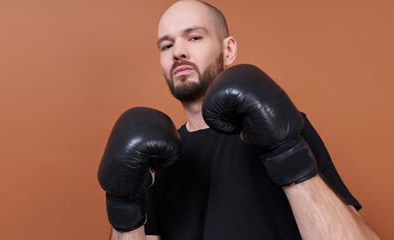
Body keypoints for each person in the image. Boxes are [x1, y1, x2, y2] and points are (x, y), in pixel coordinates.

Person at [99, 1, 380, 239]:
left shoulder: (283, 126)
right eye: (166, 45)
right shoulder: (152, 157)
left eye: (194, 37)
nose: (178, 52)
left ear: (229, 50)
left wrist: (286, 151)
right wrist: (124, 205)